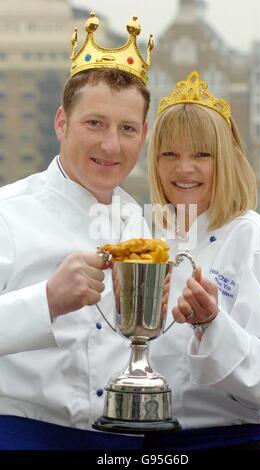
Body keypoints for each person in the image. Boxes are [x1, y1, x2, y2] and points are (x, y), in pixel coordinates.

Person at [0, 13, 153, 450]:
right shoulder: (7, 213)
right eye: (94, 123)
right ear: (61, 123)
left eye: (127, 129)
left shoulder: (139, 223)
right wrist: (45, 300)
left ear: (143, 135)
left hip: (124, 444)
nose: (111, 145)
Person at [146, 70, 260, 450]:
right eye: (169, 154)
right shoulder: (151, 241)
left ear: (226, 160)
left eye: (201, 155)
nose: (183, 168)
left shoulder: (254, 238)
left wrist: (212, 324)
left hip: (237, 446)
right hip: (155, 447)